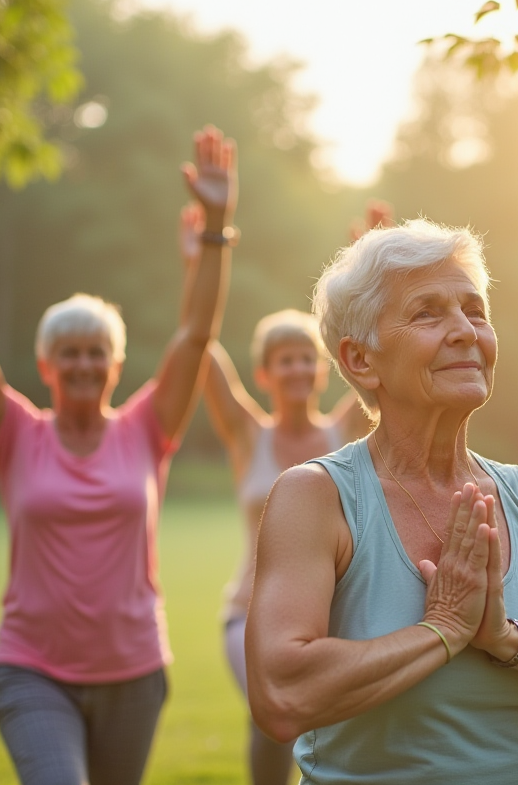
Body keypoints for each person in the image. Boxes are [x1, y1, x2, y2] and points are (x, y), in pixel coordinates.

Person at [246, 219, 518, 783]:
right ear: (359, 360)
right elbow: (282, 693)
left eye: (475, 311)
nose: (466, 331)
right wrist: (441, 629)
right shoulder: (316, 497)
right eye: (427, 312)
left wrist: (506, 638)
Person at [0, 120, 238, 785]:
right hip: (31, 669)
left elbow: (197, 333)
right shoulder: (13, 434)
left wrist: (214, 229)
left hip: (135, 673)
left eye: (98, 351)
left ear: (116, 365)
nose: (85, 363)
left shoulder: (147, 429)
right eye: (71, 352)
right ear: (47, 365)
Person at [176, 202, 377, 785]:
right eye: (282, 361)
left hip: (339, 612)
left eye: (305, 360)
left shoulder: (347, 428)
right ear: (263, 374)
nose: (294, 370)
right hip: (250, 617)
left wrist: (370, 267)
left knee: (321, 730)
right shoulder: (247, 435)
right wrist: (197, 267)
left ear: (324, 370)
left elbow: (382, 349)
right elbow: (198, 350)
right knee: (282, 720)